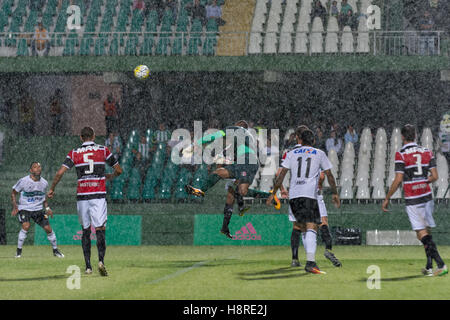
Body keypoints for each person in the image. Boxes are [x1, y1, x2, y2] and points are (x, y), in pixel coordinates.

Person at [47, 127, 123, 276]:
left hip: (82, 197)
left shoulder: (74, 153)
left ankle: (88, 266)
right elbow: (119, 170)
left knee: (86, 231)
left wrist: (52, 188)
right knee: (100, 229)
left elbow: (60, 172)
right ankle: (101, 261)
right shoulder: (103, 150)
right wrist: (109, 176)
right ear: (94, 136)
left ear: (81, 138)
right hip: (98, 195)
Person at [185, 120, 277, 238]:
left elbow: (214, 135)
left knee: (235, 188)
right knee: (233, 187)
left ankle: (265, 197)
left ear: (238, 126)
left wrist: (195, 144)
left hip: (246, 161)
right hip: (247, 162)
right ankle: (267, 197)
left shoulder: (236, 130)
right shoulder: (244, 140)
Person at [267, 128, 340, 274]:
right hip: (309, 195)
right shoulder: (319, 153)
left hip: (294, 196)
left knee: (301, 227)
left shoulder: (291, 153)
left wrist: (273, 192)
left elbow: (280, 175)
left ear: (299, 140)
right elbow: (329, 175)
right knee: (312, 227)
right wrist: (334, 193)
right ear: (313, 141)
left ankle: (300, 259)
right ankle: (311, 262)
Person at [382, 124, 447, 276]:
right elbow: (435, 176)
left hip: (413, 198)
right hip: (426, 195)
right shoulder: (426, 151)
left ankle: (441, 264)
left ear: (403, 137)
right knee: (427, 232)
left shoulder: (401, 154)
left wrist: (387, 198)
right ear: (416, 136)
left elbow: (398, 179)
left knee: (421, 234)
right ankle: (429, 267)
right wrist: (423, 181)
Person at [11, 162, 64, 258]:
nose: (38, 169)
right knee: (26, 226)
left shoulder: (44, 183)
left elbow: (43, 198)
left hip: (38, 209)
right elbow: (13, 193)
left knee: (48, 228)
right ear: (31, 170)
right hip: (25, 208)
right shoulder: (23, 181)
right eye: (35, 167)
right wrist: (15, 206)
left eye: (39, 167)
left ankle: (55, 250)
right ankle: (18, 251)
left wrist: (47, 208)